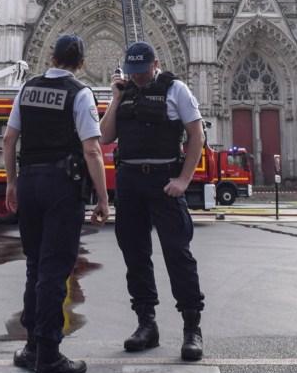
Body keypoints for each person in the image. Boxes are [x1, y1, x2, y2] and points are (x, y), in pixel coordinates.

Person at [4, 34, 110, 373]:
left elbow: (9, 139)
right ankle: (49, 354)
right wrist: (104, 197)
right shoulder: (80, 93)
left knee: (35, 266)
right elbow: (92, 149)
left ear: (52, 56)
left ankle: (32, 346)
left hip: (30, 182)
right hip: (61, 186)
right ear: (80, 62)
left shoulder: (27, 89)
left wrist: (11, 182)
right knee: (54, 271)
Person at [98, 40, 206, 363]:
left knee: (178, 255)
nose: (138, 78)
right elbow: (103, 136)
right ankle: (147, 324)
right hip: (130, 182)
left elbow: (196, 135)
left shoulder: (177, 90)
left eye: (142, 72)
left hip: (163, 181)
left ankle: (191, 329)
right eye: (133, 73)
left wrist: (184, 180)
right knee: (135, 255)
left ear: (154, 64)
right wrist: (115, 99)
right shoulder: (125, 92)